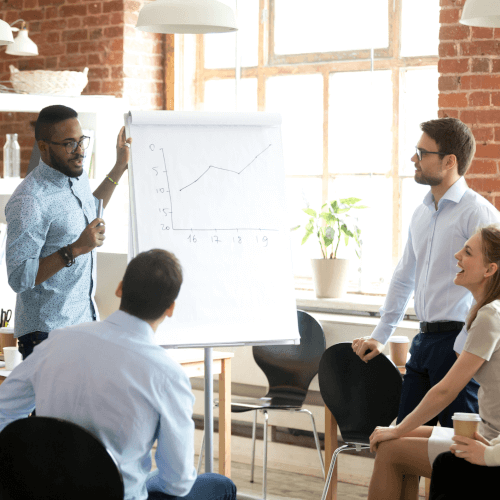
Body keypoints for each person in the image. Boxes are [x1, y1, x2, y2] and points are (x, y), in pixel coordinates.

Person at [0, 249, 237, 500]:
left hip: (46, 491)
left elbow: (4, 408)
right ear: (170, 308)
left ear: (120, 288)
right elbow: (177, 482)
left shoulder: (57, 342)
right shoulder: (167, 375)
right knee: (219, 484)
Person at [352, 117, 499, 428]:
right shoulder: (421, 212)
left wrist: (469, 341)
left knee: (452, 453)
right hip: (423, 341)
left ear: (449, 161)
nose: (413, 159)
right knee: (402, 441)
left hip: (459, 343)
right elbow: (405, 276)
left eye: (421, 152)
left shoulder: (478, 212)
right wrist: (381, 335)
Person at [366, 224, 500, 500]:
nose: (456, 255)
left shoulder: (489, 317)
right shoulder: (489, 310)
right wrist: (398, 431)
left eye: (468, 252)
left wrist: (397, 429)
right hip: (487, 435)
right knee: (395, 440)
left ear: (490, 270)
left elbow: (445, 390)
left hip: (490, 443)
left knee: (391, 447)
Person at [5, 104, 132, 359]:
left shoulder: (76, 175)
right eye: (69, 144)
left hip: (83, 323)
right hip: (47, 335)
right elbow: (19, 277)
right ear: (43, 147)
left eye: (81, 140)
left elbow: (89, 207)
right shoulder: (29, 200)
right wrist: (76, 249)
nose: (80, 151)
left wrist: (120, 166)